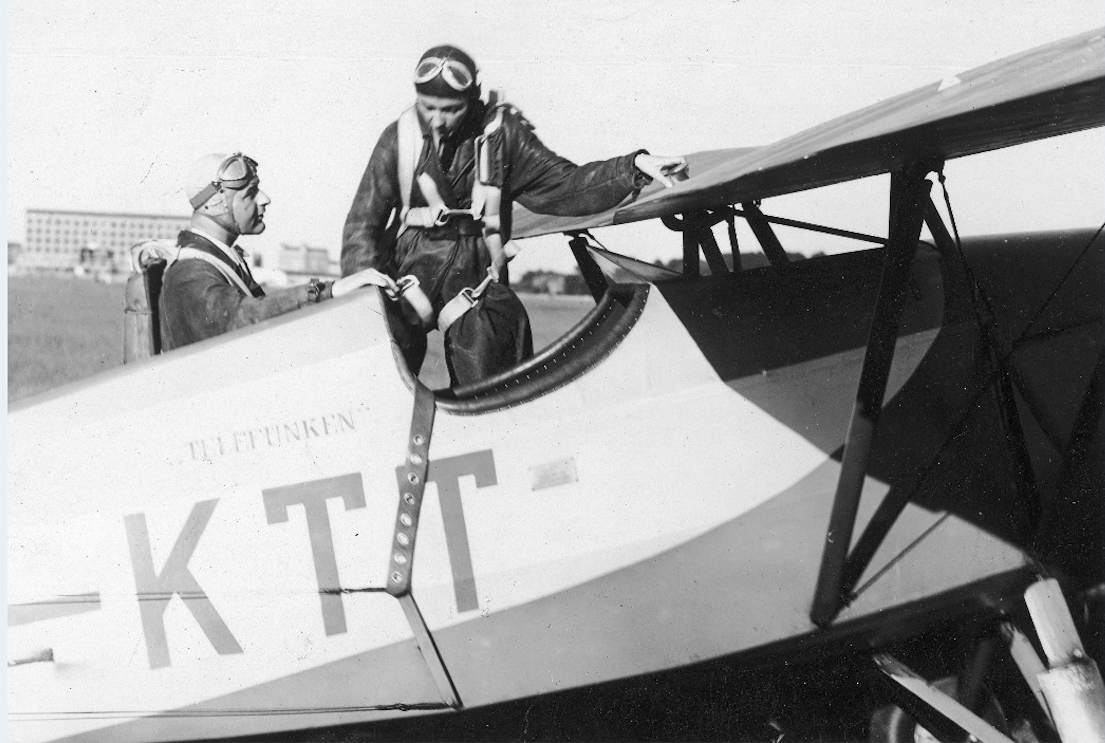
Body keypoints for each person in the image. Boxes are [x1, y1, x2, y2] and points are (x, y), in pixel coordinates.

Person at [342, 45, 687, 387]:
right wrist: (364, 291)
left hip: (475, 278)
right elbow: (362, 225)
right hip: (406, 273)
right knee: (375, 362)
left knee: (491, 358)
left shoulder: (503, 135)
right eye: (427, 107)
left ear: (473, 99)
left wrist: (633, 166)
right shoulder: (398, 139)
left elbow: (566, 186)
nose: (437, 121)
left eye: (450, 110)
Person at [160, 152, 387, 352]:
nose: (264, 199)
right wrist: (329, 291)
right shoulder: (190, 272)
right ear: (215, 203)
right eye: (250, 193)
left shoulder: (221, 260)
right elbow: (242, 316)